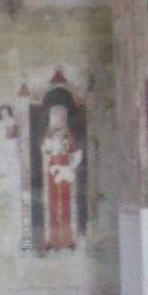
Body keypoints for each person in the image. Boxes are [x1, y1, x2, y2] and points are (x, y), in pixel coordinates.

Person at [39, 100, 83, 251]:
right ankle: (53, 239)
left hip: (65, 172)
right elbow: (44, 151)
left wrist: (68, 161)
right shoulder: (48, 136)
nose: (57, 119)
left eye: (60, 116)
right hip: (52, 173)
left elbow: (74, 152)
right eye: (55, 116)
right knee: (52, 205)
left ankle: (67, 239)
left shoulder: (67, 136)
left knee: (66, 204)